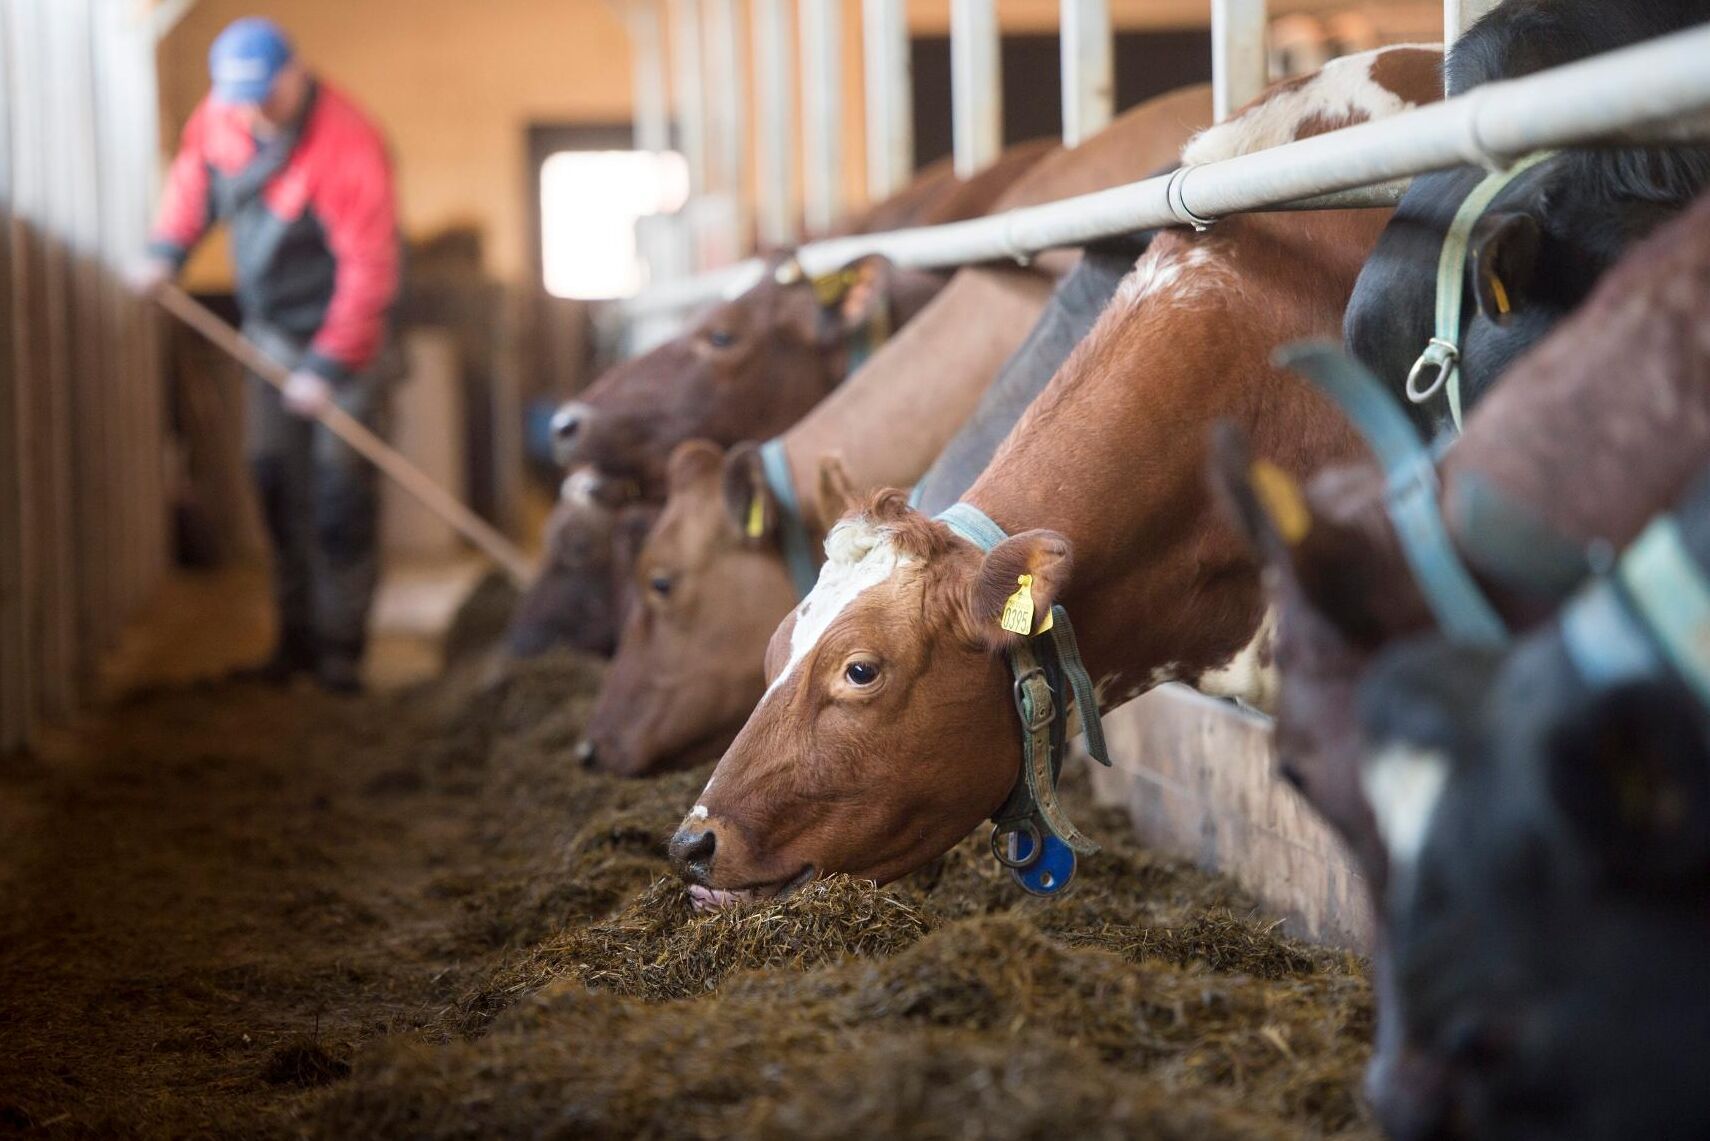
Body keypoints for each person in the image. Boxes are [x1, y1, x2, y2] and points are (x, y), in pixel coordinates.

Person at [135, 18, 402, 693]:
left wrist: (329, 366)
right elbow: (192, 185)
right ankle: (294, 644)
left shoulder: (348, 142)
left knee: (340, 496)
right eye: (242, 99)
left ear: (295, 74)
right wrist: (166, 252)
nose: (254, 112)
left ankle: (340, 657)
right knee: (277, 484)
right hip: (271, 332)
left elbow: (369, 267)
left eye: (266, 96)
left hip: (345, 340)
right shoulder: (222, 118)